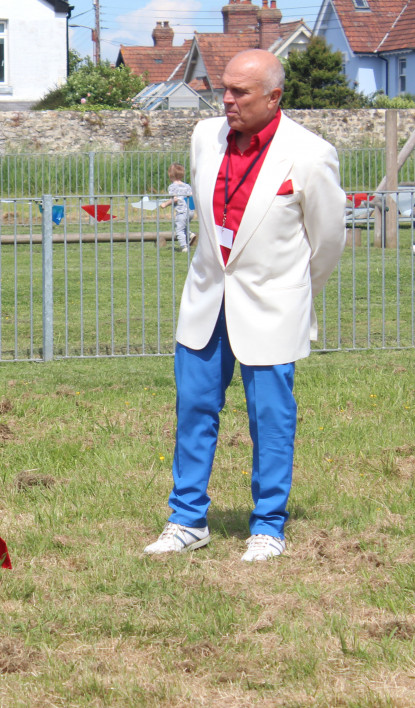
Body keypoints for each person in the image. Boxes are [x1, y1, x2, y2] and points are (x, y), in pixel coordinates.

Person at [143, 50, 346, 562]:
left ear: (274, 97)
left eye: (240, 92)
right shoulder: (204, 138)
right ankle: (187, 519)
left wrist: (294, 295)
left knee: (270, 420)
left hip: (272, 309)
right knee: (193, 411)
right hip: (206, 302)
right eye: (223, 89)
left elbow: (327, 243)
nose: (225, 100)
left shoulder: (310, 153)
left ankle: (269, 525)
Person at [161, 163, 194, 252]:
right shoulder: (187, 186)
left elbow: (174, 199)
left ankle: (184, 247)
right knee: (183, 225)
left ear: (170, 175)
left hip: (181, 212)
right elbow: (191, 197)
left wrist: (165, 204)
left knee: (179, 229)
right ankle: (190, 235)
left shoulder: (172, 187)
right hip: (190, 211)